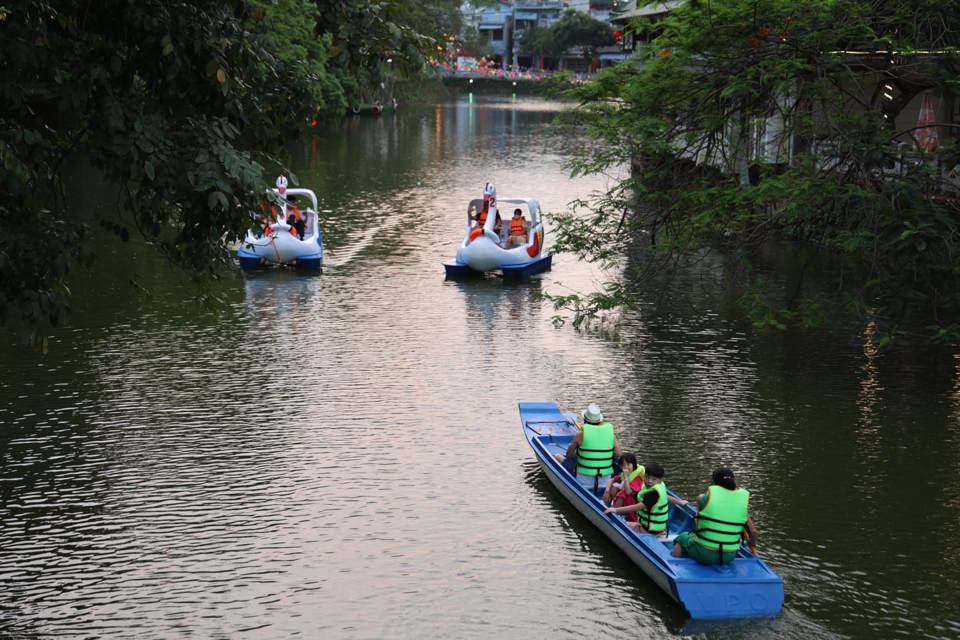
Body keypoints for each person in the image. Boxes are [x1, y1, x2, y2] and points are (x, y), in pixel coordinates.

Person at [672, 467, 757, 564]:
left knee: (682, 537)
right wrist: (752, 543)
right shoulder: (742, 504)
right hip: (729, 555)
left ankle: (675, 565)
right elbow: (753, 532)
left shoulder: (707, 497)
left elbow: (699, 498)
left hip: (704, 552)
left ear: (714, 482)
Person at [604, 463, 682, 536]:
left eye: (654, 479)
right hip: (658, 528)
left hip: (649, 530)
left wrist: (615, 510)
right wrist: (679, 502)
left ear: (660, 480)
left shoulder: (653, 494)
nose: (649, 481)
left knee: (613, 522)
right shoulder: (660, 486)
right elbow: (666, 496)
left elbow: (638, 507)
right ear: (644, 475)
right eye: (647, 477)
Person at [564, 403, 621, 497]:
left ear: (585, 419)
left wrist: (573, 446)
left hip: (584, 481)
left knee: (562, 458)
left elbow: (569, 455)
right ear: (600, 420)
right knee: (615, 461)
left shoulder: (580, 435)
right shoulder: (611, 434)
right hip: (605, 482)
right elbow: (618, 454)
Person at [602, 453, 645, 518]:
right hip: (623, 505)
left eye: (628, 464)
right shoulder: (623, 474)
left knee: (622, 493)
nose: (626, 467)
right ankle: (609, 505)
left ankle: (615, 513)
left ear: (634, 465)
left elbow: (628, 492)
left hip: (632, 506)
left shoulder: (637, 478)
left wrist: (625, 477)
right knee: (614, 487)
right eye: (623, 465)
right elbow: (611, 480)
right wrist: (607, 491)